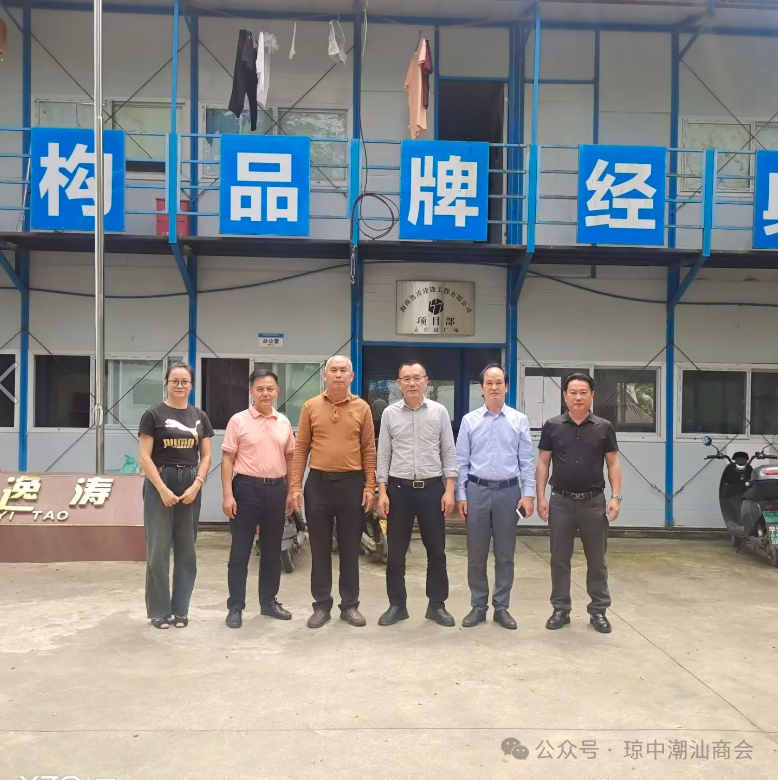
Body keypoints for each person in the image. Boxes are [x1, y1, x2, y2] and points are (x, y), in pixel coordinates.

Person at [289, 355, 377, 629]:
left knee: (350, 548)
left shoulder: (362, 408)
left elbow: (369, 449)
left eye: (343, 370)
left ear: (351, 376)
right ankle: (321, 605)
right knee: (319, 548)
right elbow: (301, 449)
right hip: (318, 485)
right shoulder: (310, 407)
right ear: (325, 375)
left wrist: (370, 485)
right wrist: (295, 485)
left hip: (352, 485)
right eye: (333, 370)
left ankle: (350, 605)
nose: (338, 374)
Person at [536, 372, 622, 634]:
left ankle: (598, 611)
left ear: (592, 396)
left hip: (593, 503)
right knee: (559, 559)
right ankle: (560, 609)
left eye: (583, 392)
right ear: (565, 396)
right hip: (560, 502)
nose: (578, 397)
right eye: (573, 392)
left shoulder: (604, 427)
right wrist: (541, 497)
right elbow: (543, 462)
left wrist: (616, 497)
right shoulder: (552, 426)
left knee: (597, 560)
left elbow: (613, 463)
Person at [375, 362, 458, 627]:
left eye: (417, 378)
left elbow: (449, 451)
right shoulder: (389, 414)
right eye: (406, 378)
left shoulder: (439, 412)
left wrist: (449, 490)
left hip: (432, 490)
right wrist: (382, 491)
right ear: (399, 383)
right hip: (398, 491)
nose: (412, 383)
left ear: (426, 381)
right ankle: (397, 605)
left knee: (437, 551)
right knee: (396, 552)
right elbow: (383, 454)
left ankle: (437, 605)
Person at [455, 364, 536, 630]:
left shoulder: (519, 420)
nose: (494, 387)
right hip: (476, 491)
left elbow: (526, 461)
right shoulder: (469, 421)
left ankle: (502, 607)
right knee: (476, 554)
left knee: (505, 554)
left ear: (506, 387)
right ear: (481, 388)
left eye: (499, 382)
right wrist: (461, 495)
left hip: (508, 493)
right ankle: (478, 606)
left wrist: (528, 494)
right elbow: (461, 462)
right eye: (489, 383)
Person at [138, 362, 213, 629]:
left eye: (185, 381)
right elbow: (144, 457)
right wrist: (161, 489)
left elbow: (206, 456)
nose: (180, 385)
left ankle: (181, 610)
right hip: (161, 480)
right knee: (158, 552)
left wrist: (197, 484)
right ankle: (159, 611)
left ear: (191, 385)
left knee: (186, 551)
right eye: (175, 381)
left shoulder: (200, 416)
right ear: (167, 384)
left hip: (190, 482)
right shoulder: (153, 415)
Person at [222, 369, 296, 629]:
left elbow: (290, 458)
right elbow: (228, 459)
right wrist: (228, 495)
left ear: (278, 392)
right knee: (240, 552)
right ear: (251, 391)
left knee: (272, 551)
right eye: (260, 389)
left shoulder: (283, 422)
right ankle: (235, 607)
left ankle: (268, 602)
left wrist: (291, 491)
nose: (266, 393)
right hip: (246, 489)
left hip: (276, 490)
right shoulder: (238, 421)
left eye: (270, 389)